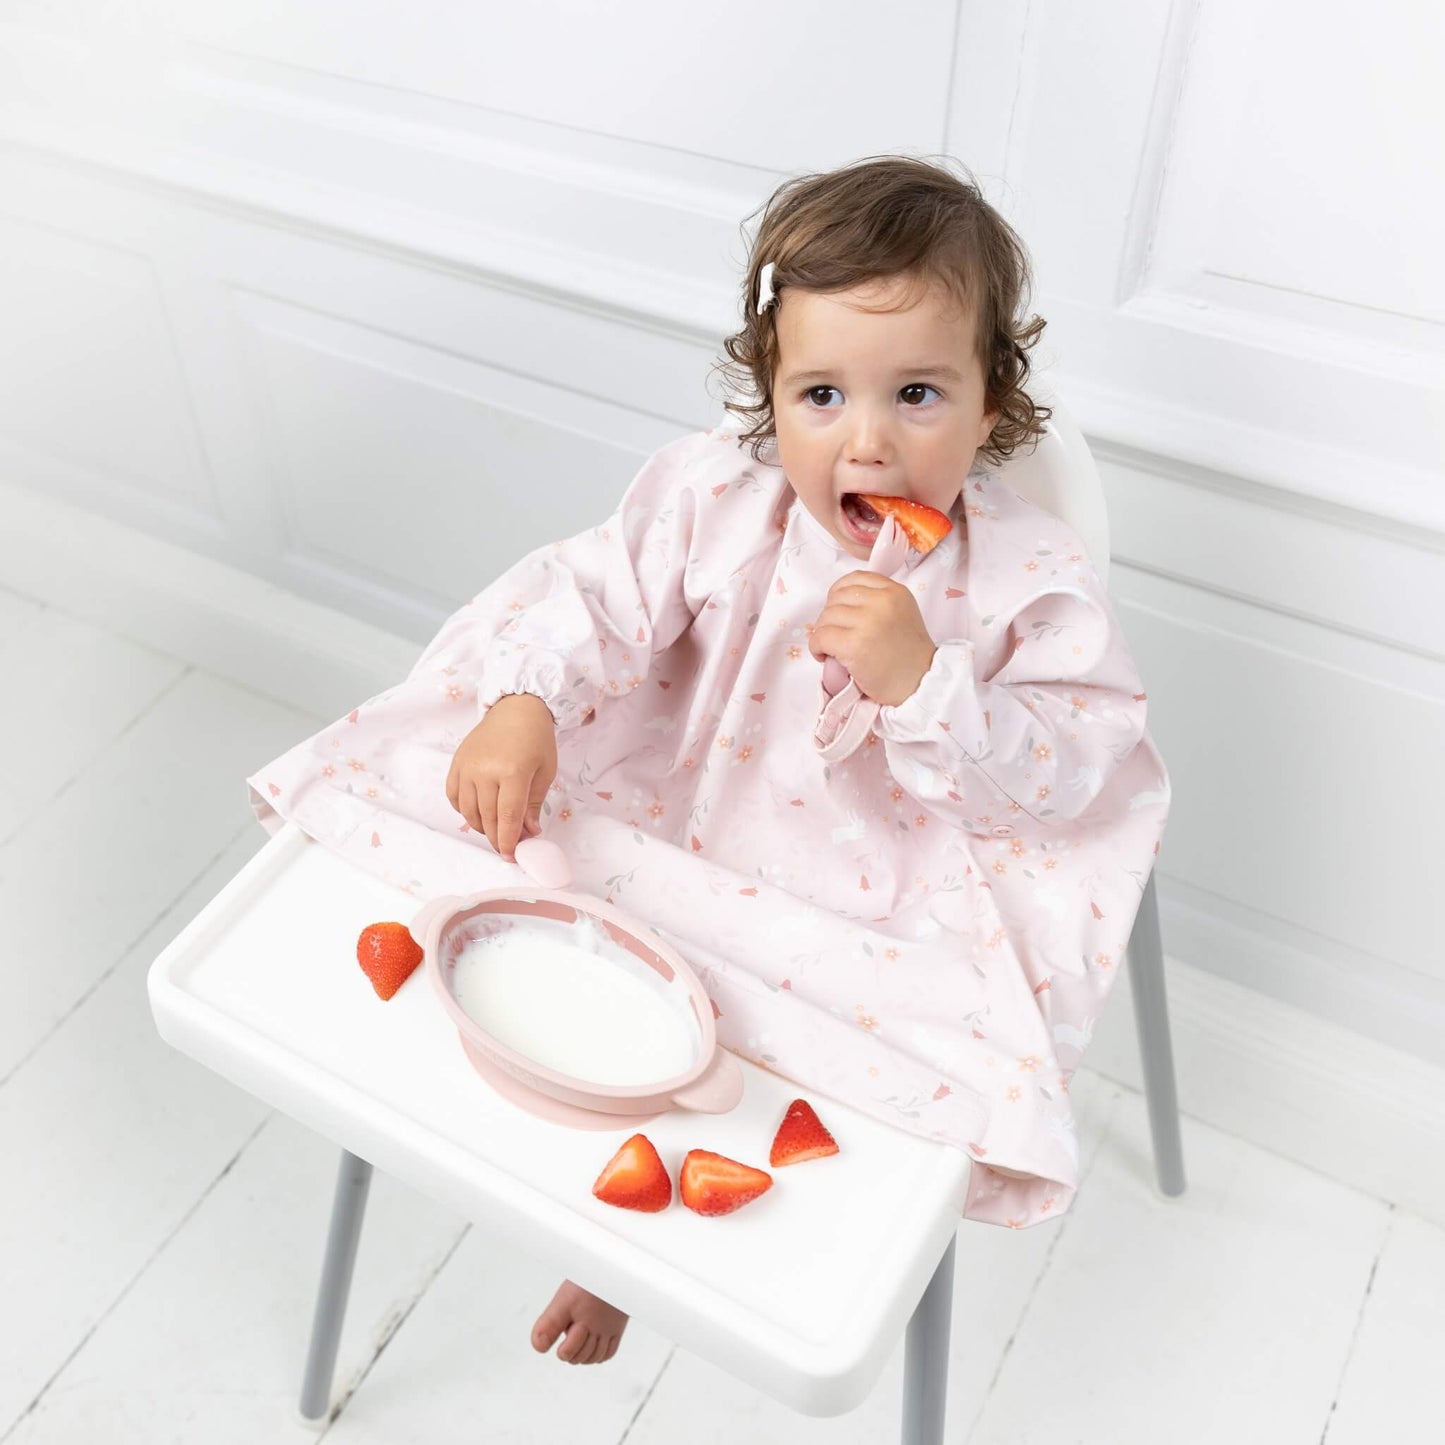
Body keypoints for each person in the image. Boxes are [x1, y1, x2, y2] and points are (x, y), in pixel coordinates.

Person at [248, 154, 1171, 1368]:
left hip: (875, 881)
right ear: (770, 393)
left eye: (919, 395)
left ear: (990, 402)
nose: (870, 441)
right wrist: (524, 696)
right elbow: (592, 592)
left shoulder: (1022, 579)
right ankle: (615, 1224)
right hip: (676, 806)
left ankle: (630, 1242)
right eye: (823, 395)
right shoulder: (716, 499)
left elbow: (1065, 770)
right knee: (566, 952)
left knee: (800, 1058)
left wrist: (926, 682)